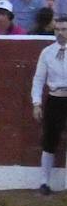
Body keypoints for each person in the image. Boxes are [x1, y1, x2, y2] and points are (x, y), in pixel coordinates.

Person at [31, 14, 67, 194]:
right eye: (57, 29)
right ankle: (44, 183)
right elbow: (38, 80)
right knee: (49, 141)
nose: (60, 33)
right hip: (54, 99)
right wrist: (36, 103)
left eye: (64, 29)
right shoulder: (47, 52)